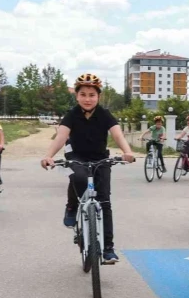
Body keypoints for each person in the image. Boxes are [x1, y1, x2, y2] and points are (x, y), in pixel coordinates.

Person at [40, 73, 135, 264]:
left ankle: (108, 249)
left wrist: (127, 151)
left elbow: (117, 135)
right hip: (77, 156)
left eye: (92, 94)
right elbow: (60, 137)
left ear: (98, 96)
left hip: (100, 158)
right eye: (83, 94)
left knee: (105, 201)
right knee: (78, 177)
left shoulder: (105, 114)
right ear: (77, 96)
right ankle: (72, 206)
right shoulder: (72, 114)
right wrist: (48, 156)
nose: (87, 99)